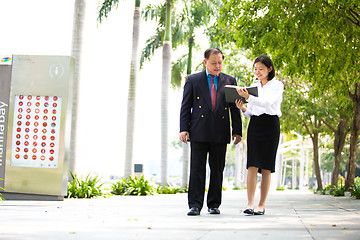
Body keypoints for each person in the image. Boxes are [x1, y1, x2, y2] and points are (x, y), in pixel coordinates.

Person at [179, 48, 242, 216]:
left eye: (220, 62)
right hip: (198, 131)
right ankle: (195, 205)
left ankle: (214, 204)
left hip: (220, 131)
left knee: (217, 169)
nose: (217, 66)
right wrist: (183, 129)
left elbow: (234, 109)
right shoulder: (193, 80)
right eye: (214, 63)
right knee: (197, 169)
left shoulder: (230, 81)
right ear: (205, 62)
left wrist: (237, 130)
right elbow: (185, 107)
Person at [235, 54, 284, 215]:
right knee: (252, 165)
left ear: (270, 69)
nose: (258, 72)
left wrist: (248, 97)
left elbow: (266, 103)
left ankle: (261, 205)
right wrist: (242, 107)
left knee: (266, 167)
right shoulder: (253, 86)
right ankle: (249, 204)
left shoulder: (277, 85)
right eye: (255, 69)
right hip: (255, 125)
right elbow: (252, 112)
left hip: (270, 125)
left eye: (261, 69)